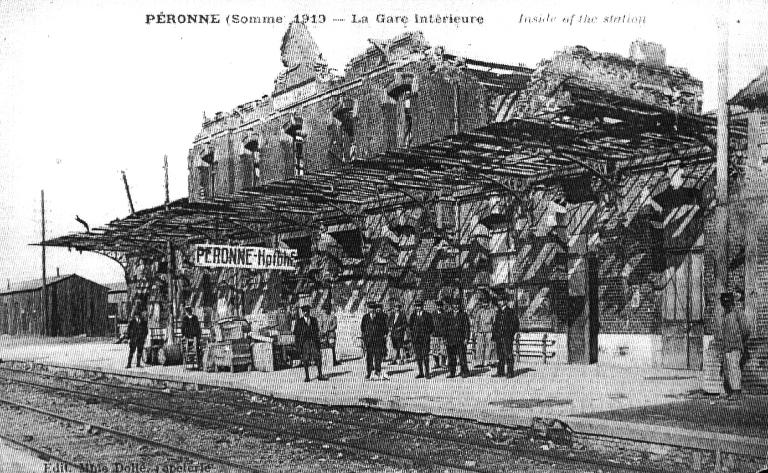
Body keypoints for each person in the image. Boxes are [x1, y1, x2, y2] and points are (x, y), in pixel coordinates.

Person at [293, 305, 327, 382]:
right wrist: (297, 345)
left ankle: (320, 374)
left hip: (313, 341)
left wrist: (318, 341)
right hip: (304, 342)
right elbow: (296, 334)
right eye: (304, 311)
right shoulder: (299, 321)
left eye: (307, 311)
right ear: (302, 312)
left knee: (317, 357)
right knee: (305, 359)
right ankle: (307, 377)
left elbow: (317, 331)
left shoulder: (314, 320)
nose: (306, 313)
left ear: (309, 312)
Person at [721, 292, 746, 398]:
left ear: (732, 303)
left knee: (734, 368)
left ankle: (737, 391)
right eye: (725, 304)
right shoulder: (725, 315)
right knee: (727, 369)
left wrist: (739, 340)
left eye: (728, 304)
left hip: (735, 346)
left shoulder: (738, 313)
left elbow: (745, 329)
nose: (727, 306)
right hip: (727, 347)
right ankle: (730, 391)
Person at [493, 294, 520, 378]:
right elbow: (495, 324)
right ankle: (500, 371)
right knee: (500, 355)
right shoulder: (498, 312)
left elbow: (516, 324)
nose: (499, 302)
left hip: (507, 337)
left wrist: (510, 333)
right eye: (498, 301)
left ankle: (510, 372)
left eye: (501, 300)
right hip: (499, 337)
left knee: (508, 354)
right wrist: (494, 334)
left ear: (505, 301)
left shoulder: (511, 311)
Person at [361, 301, 389, 380]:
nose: (372, 310)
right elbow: (362, 328)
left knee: (378, 357)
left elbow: (385, 327)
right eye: (370, 308)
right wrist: (365, 338)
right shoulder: (365, 317)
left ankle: (377, 372)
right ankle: (369, 373)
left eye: (373, 308)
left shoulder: (380, 317)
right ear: (368, 308)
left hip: (378, 340)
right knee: (369, 358)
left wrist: (384, 335)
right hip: (369, 341)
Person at [444, 300, 471, 378]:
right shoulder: (448, 315)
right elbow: (445, 327)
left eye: (457, 304)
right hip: (450, 339)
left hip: (460, 339)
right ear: (452, 305)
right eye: (454, 304)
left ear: (459, 305)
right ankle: (452, 372)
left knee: (462, 356)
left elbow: (467, 327)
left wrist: (466, 338)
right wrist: (445, 337)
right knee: (451, 357)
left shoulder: (463, 314)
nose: (456, 306)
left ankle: (464, 372)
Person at [409, 299, 434, 379]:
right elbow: (410, 326)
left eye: (419, 306)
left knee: (425, 356)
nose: (418, 308)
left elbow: (431, 326)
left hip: (424, 338)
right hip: (416, 339)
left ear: (422, 306)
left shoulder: (427, 315)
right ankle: (421, 372)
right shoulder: (413, 315)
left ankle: (427, 372)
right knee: (418, 356)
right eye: (417, 306)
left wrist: (427, 333)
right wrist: (413, 335)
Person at [473, 298, 496, 368]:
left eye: (486, 303)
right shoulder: (479, 311)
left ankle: (491, 361)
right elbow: (476, 321)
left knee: (491, 347)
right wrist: (476, 331)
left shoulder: (492, 311)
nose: (485, 304)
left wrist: (494, 331)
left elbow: (494, 322)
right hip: (481, 331)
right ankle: (479, 362)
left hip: (489, 331)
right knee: (480, 347)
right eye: (483, 303)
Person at [431, 300, 449, 369]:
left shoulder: (445, 314)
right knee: (435, 350)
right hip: (435, 334)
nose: (439, 307)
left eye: (440, 306)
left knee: (444, 350)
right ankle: (437, 363)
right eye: (438, 306)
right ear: (436, 306)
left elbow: (447, 324)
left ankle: (443, 363)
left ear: (442, 306)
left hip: (443, 335)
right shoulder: (433, 314)